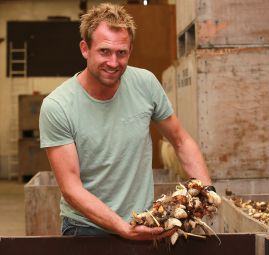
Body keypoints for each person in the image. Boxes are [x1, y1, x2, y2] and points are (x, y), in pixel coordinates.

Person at [39, 3, 213, 240]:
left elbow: (180, 141)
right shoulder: (58, 106)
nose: (113, 62)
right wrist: (122, 228)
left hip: (143, 220)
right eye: (104, 51)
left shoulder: (145, 83)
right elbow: (71, 189)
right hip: (86, 227)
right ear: (84, 49)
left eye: (121, 53)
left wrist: (206, 191)